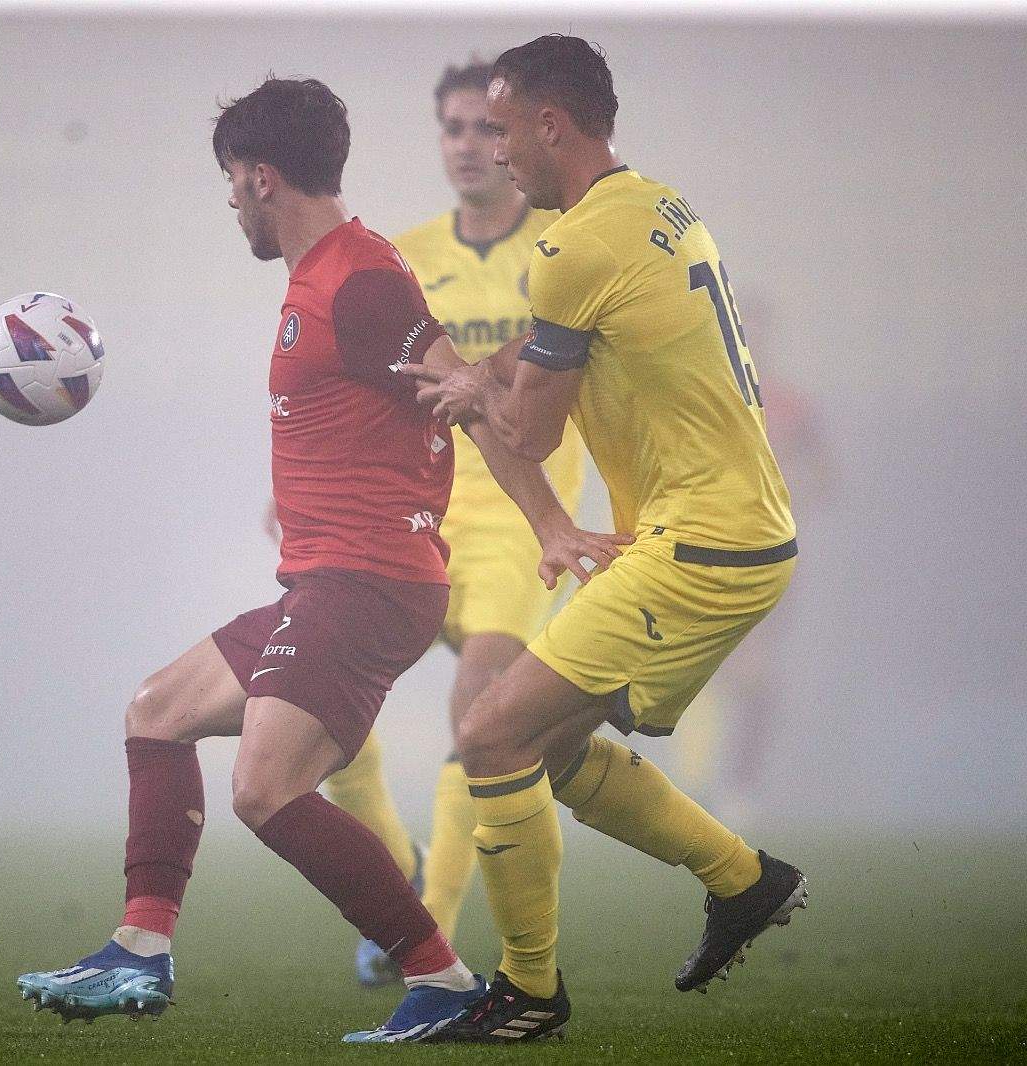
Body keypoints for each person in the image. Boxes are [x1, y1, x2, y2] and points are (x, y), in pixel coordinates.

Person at [15, 76, 616, 1045]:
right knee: (156, 713)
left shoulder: (360, 279)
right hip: (331, 581)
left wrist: (546, 522)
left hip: (368, 582)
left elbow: (461, 395)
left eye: (229, 182)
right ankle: (138, 948)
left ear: (258, 177)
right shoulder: (326, 276)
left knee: (266, 788)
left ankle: (442, 975)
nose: (228, 201)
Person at [403, 35, 809, 1042]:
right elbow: (571, 352)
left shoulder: (569, 247)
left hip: (701, 544)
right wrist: (492, 376)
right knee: (547, 744)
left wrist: (466, 392)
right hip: (730, 531)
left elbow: (532, 427)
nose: (495, 153)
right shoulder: (657, 206)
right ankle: (742, 880)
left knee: (492, 734)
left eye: (502, 129)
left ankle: (526, 994)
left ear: (550, 125)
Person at [317, 60, 589, 987]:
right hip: (415, 506)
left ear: (518, 139)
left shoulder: (565, 246)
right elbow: (364, 384)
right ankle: (397, 871)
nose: (472, 146)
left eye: (486, 128)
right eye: (454, 129)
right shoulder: (405, 255)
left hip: (520, 513)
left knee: (479, 714)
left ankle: (421, 928)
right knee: (322, 703)